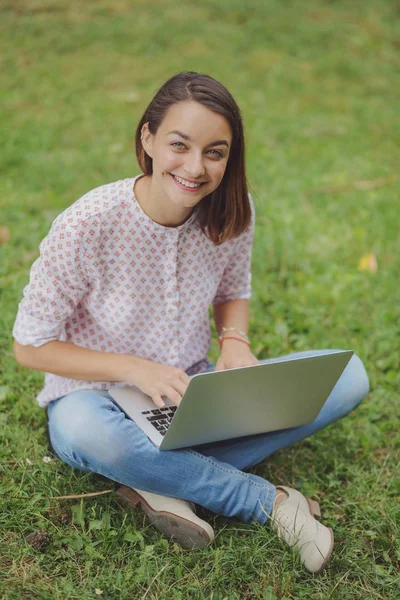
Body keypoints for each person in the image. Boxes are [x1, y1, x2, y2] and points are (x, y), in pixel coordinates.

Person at [12, 71, 369, 574]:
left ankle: (155, 478)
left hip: (191, 392)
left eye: (215, 152)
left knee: (348, 376)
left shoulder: (232, 209)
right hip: (92, 399)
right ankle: (268, 503)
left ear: (230, 156)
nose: (196, 168)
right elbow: (29, 346)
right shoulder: (86, 224)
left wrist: (236, 344)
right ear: (148, 139)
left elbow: (232, 293)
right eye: (179, 145)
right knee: (96, 438)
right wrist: (135, 369)